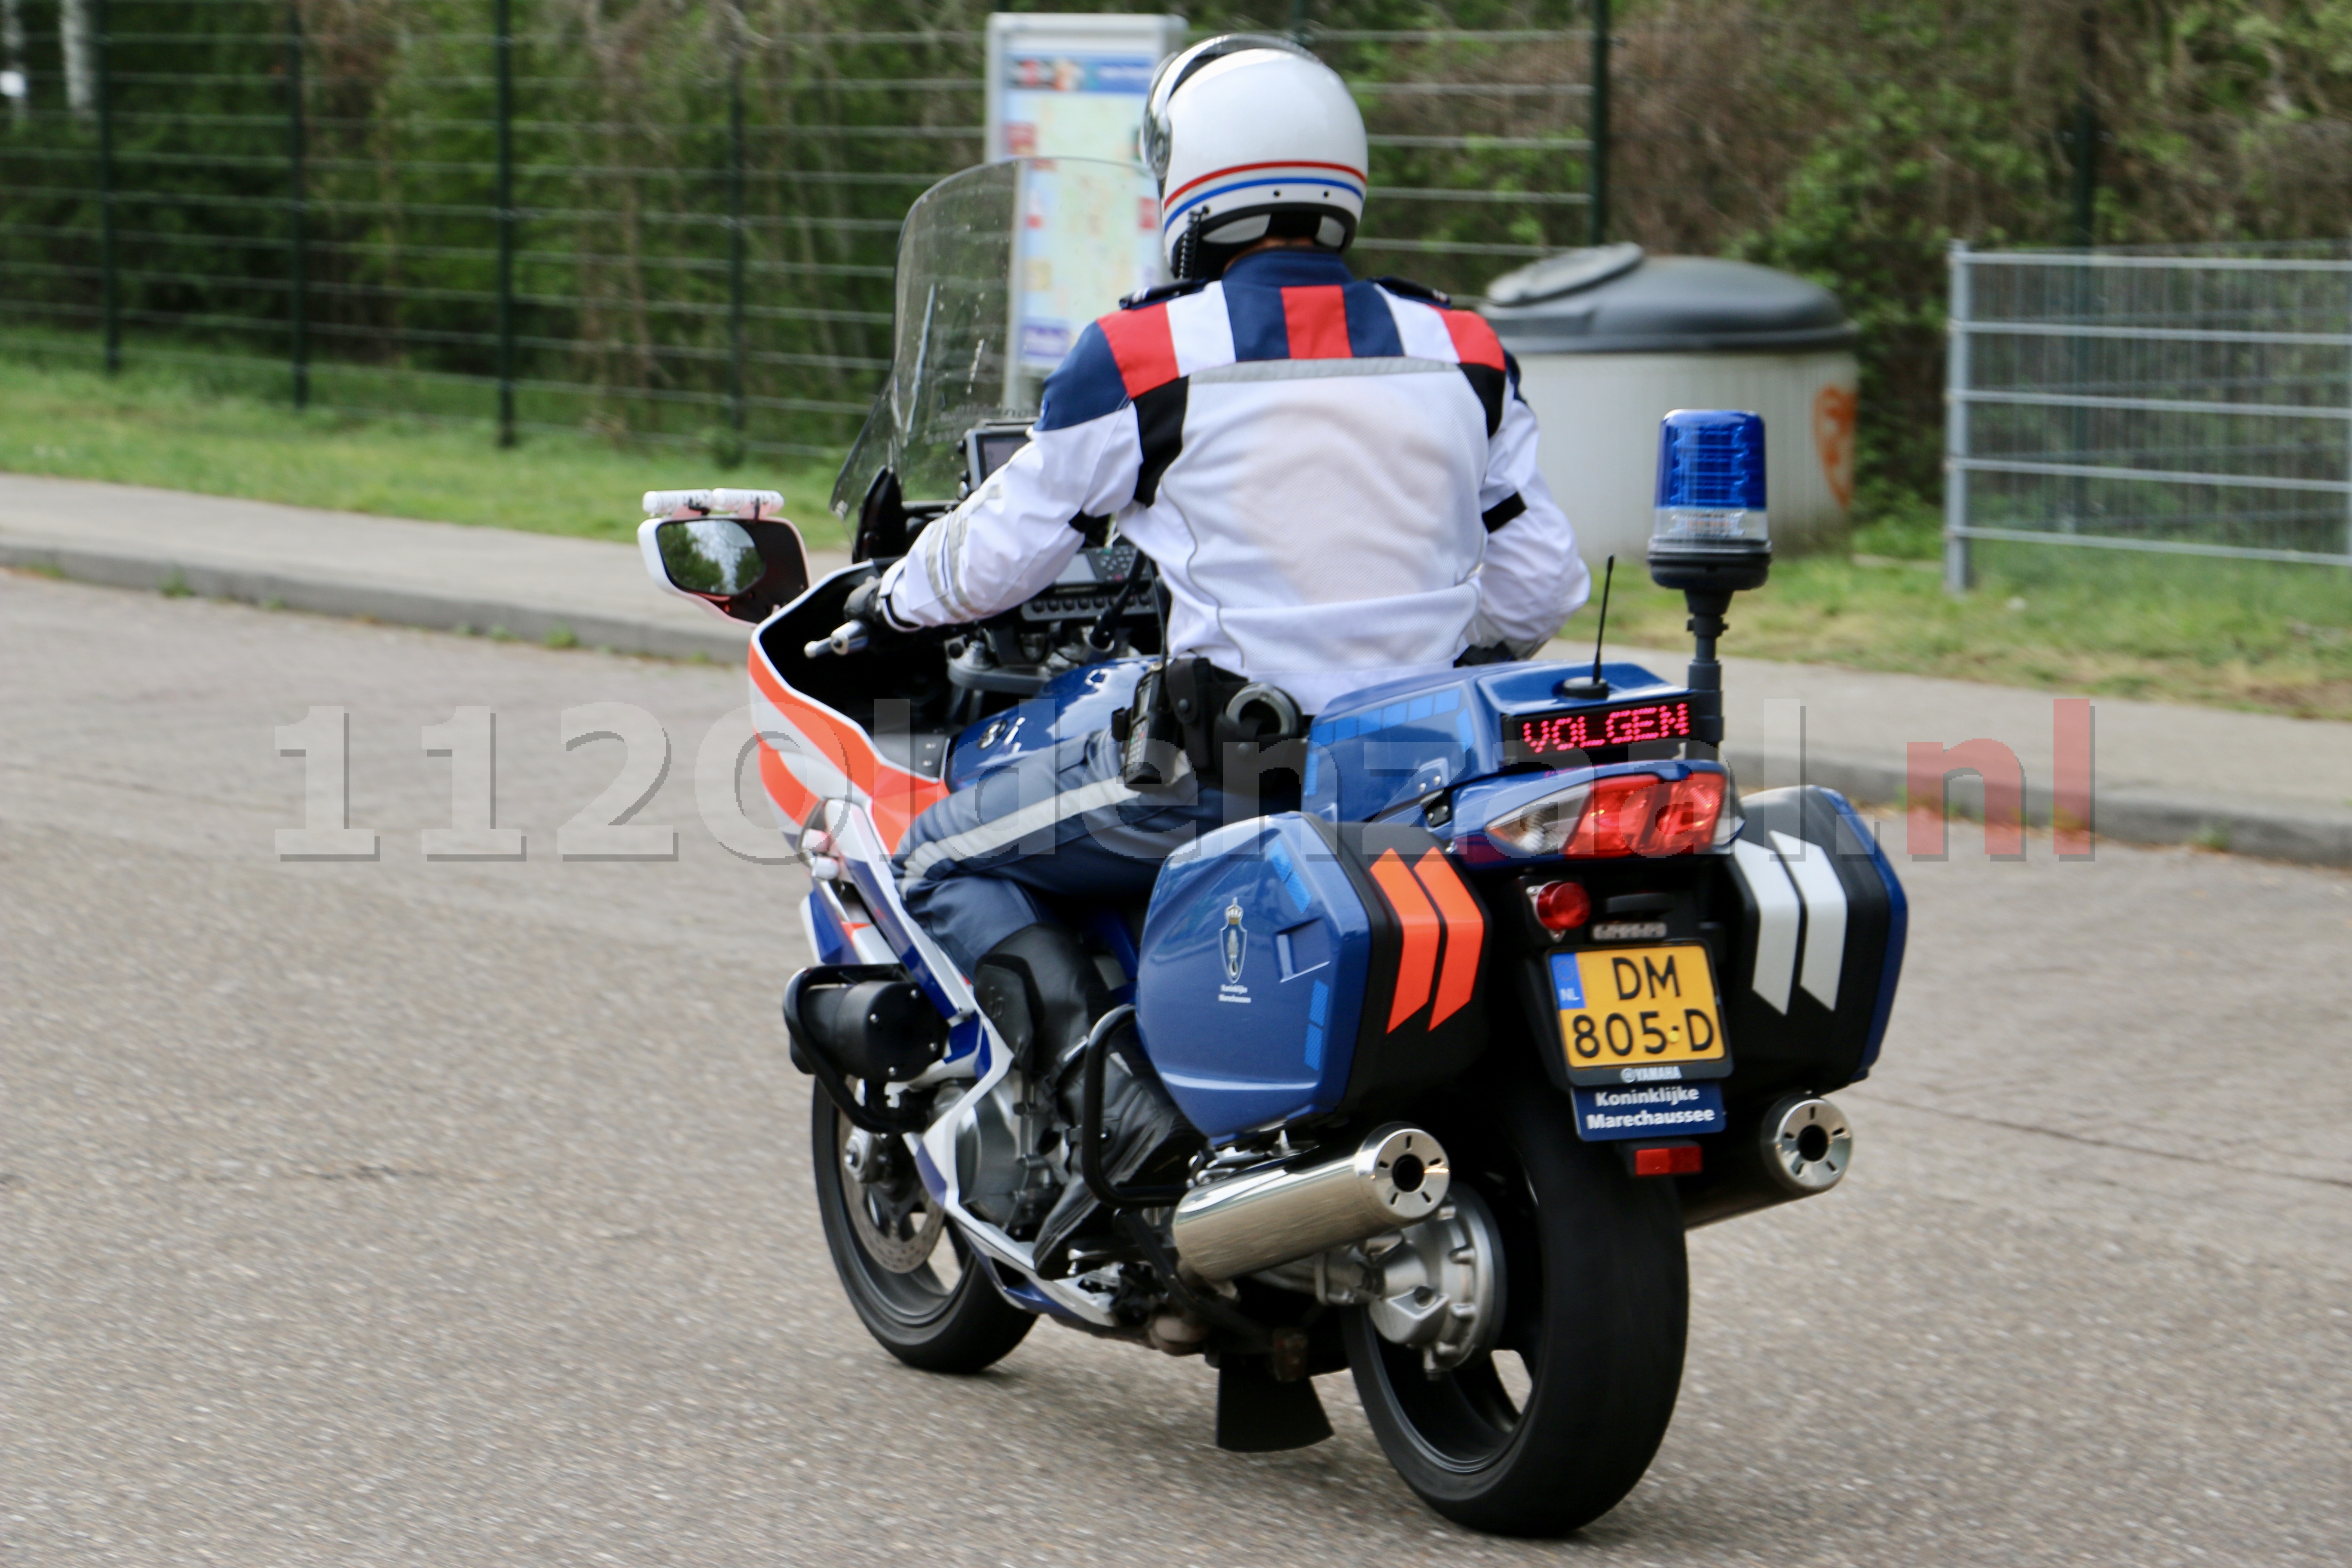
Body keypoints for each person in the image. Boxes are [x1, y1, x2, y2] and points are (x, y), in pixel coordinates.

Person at [856, 34, 1589, 980]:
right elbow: (1543, 583)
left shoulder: (1146, 354)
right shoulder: (1463, 347)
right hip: (1431, 775)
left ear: (1190, 179)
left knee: (935, 859)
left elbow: (999, 556)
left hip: (1231, 780)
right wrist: (1424, 642)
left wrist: (890, 602)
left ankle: (1109, 1101)